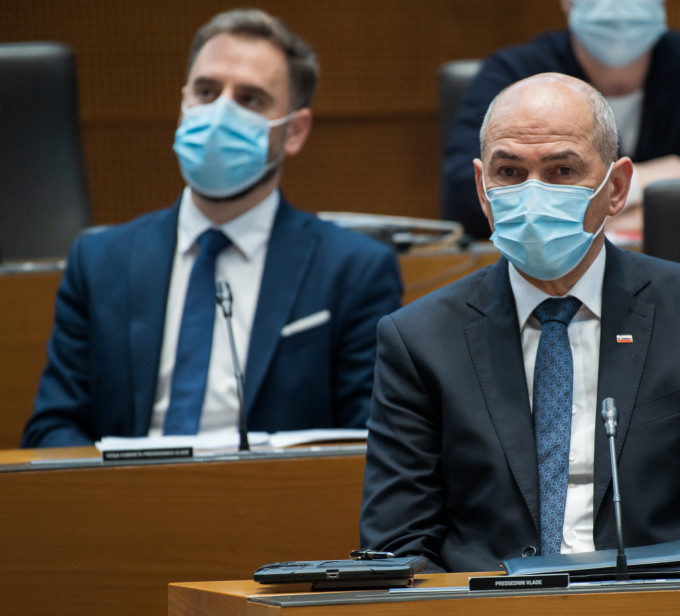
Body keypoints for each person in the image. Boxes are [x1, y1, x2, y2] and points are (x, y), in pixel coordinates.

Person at [360, 72, 680, 572]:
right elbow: (398, 545)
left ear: (617, 187)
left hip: (660, 613)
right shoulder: (417, 339)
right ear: (482, 188)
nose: (533, 194)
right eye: (510, 173)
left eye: (562, 171)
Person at [22, 9, 402, 447]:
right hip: (123, 505)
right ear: (184, 103)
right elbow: (52, 428)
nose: (221, 112)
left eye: (250, 99)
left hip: (275, 507)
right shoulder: (99, 261)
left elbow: (366, 443)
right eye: (206, 91)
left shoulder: (354, 271)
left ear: (294, 131)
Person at [441, 0, 680, 239]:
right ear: (566, 3)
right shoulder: (516, 76)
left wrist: (586, 205)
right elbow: (465, 195)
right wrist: (669, 181)